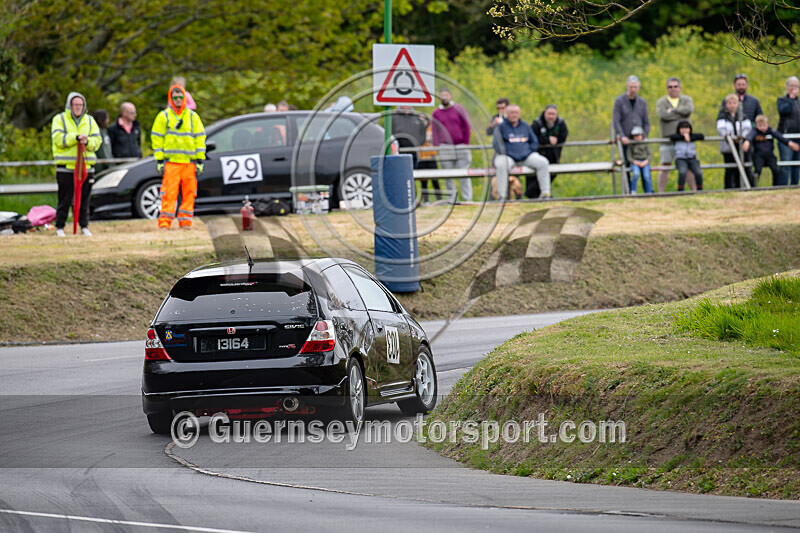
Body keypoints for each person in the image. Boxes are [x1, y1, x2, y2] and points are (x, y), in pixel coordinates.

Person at [151, 85, 206, 229]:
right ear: (170, 98)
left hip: (189, 163)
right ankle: (165, 222)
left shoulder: (193, 117)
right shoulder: (164, 116)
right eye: (175, 97)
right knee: (168, 193)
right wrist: (159, 159)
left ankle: (186, 222)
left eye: (180, 97)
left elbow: (200, 138)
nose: (178, 100)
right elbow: (157, 138)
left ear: (185, 98)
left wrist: (200, 160)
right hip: (172, 163)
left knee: (189, 193)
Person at [51, 92, 102, 237]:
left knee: (84, 200)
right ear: (70, 105)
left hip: (86, 167)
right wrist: (75, 138)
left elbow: (97, 141)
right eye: (75, 104)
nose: (78, 107)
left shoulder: (90, 120)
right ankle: (60, 226)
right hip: (66, 167)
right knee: (65, 199)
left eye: (80, 104)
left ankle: (84, 226)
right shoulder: (60, 119)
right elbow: (58, 139)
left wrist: (87, 141)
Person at [492, 104, 551, 200]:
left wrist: (527, 152)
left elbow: (534, 142)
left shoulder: (525, 126)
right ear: (507, 114)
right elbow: (496, 144)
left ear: (519, 114)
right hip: (508, 157)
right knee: (501, 164)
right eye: (512, 113)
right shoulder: (501, 127)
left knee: (543, 162)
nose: (514, 115)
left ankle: (545, 193)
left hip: (526, 156)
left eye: (516, 113)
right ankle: (502, 196)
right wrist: (509, 153)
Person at [432, 87, 472, 202]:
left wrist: (466, 143)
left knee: (464, 174)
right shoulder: (436, 113)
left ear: (450, 96)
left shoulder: (459, 109)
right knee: (448, 175)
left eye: (446, 95)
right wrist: (437, 146)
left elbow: (466, 126)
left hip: (460, 145)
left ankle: (467, 199)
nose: (444, 97)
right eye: (442, 95)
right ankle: (452, 199)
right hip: (445, 147)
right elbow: (435, 130)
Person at [656, 77, 695, 192]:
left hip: (684, 139)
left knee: (688, 166)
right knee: (665, 165)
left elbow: (688, 110)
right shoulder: (662, 102)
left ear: (680, 88)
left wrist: (672, 110)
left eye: (675, 86)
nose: (673, 89)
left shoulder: (686, 99)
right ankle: (660, 193)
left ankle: (694, 191)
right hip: (668, 139)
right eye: (670, 87)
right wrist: (680, 112)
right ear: (667, 88)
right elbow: (663, 115)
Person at [392, 106, 437, 202]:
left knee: (414, 177)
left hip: (415, 153)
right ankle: (403, 200)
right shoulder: (394, 118)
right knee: (401, 177)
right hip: (399, 153)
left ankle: (414, 199)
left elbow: (423, 135)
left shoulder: (416, 117)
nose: (406, 107)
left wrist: (418, 142)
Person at [612, 75, 650, 187]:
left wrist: (644, 136)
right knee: (626, 164)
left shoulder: (642, 102)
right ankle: (628, 189)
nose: (633, 89)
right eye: (631, 87)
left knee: (643, 165)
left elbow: (646, 122)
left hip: (639, 141)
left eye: (635, 87)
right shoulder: (619, 101)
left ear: (638, 88)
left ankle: (647, 190)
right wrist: (622, 136)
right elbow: (616, 121)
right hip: (626, 140)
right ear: (627, 87)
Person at [745, 114, 800, 187]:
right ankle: (753, 187)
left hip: (770, 155)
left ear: (767, 124)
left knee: (776, 170)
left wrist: (789, 143)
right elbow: (750, 136)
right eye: (760, 125)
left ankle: (775, 186)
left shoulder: (770, 130)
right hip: (758, 155)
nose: (762, 128)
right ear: (756, 125)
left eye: (764, 125)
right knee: (757, 170)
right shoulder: (755, 131)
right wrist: (747, 141)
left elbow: (779, 136)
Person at [529, 104, 568, 198]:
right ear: (544, 113)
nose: (551, 116)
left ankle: (543, 195)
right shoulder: (537, 123)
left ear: (556, 115)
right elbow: (532, 138)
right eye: (549, 114)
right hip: (538, 156)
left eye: (553, 114)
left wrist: (556, 140)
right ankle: (534, 196)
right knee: (534, 179)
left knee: (551, 175)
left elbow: (564, 135)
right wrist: (547, 140)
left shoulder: (560, 123)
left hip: (554, 156)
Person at [717, 94, 753, 189]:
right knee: (730, 169)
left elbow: (748, 128)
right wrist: (729, 137)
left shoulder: (743, 116)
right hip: (729, 147)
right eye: (729, 103)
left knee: (743, 168)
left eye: (734, 103)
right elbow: (721, 129)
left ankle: (744, 187)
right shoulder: (722, 116)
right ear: (726, 105)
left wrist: (742, 137)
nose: (732, 105)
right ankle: (728, 188)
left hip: (741, 146)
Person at [669, 120, 705, 191]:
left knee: (698, 172)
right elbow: (672, 137)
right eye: (682, 128)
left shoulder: (692, 136)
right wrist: (684, 137)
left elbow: (701, 136)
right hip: (680, 159)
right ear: (679, 129)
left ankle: (700, 189)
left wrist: (690, 137)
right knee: (682, 172)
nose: (684, 130)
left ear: (690, 129)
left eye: (686, 128)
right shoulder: (677, 137)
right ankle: (680, 190)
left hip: (692, 158)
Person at [777, 76, 800, 185]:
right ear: (787, 87)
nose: (794, 88)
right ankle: (783, 187)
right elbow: (784, 111)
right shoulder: (782, 101)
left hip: (798, 137)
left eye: (796, 86)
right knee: (786, 164)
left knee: (797, 165)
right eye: (791, 86)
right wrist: (791, 99)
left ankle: (795, 186)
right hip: (785, 138)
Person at [628, 126, 653, 194]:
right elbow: (629, 156)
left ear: (642, 135)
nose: (637, 137)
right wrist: (635, 162)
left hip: (645, 161)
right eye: (635, 136)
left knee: (646, 176)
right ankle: (633, 190)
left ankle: (649, 191)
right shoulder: (631, 145)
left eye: (638, 135)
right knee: (636, 174)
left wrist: (646, 161)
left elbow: (649, 154)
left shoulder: (645, 143)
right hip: (635, 162)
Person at [92, 109, 113, 173]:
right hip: (100, 168)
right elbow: (103, 150)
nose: (108, 121)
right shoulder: (98, 132)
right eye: (107, 118)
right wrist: (110, 165)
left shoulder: (104, 131)